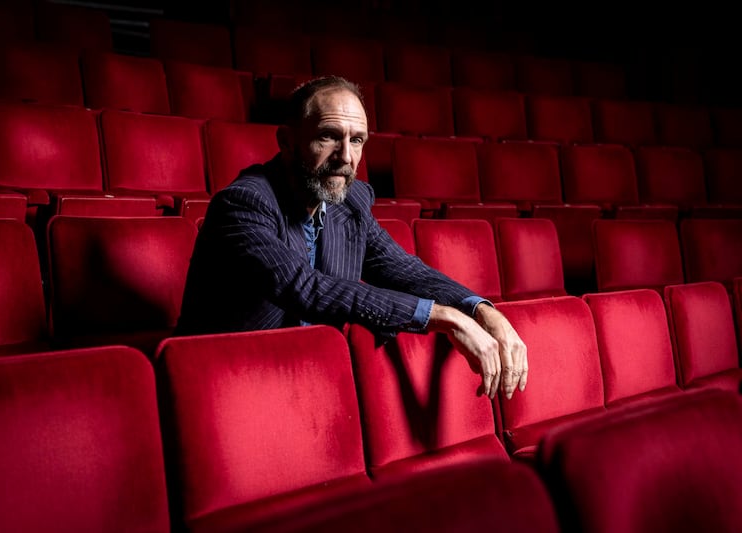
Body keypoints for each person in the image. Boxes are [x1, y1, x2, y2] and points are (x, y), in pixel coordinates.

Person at [176, 76, 527, 400]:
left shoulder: (352, 203)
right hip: (225, 384)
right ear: (287, 142)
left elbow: (404, 269)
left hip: (309, 378)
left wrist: (481, 310)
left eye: (356, 140)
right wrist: (445, 318)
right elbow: (306, 287)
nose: (345, 157)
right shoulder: (244, 203)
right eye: (328, 136)